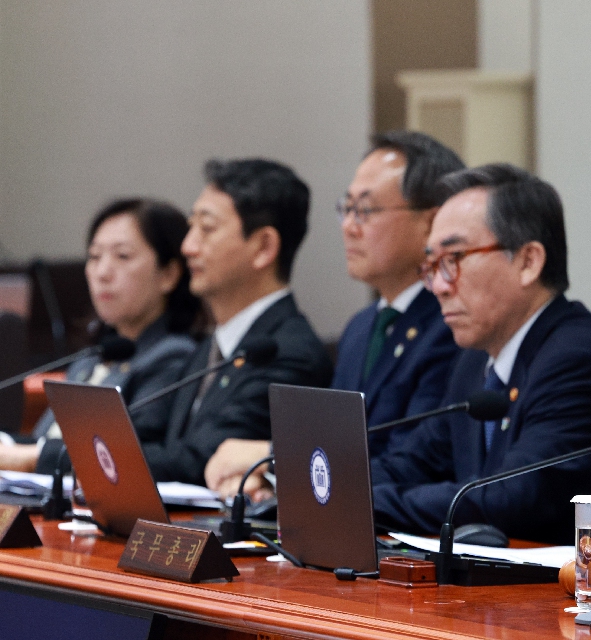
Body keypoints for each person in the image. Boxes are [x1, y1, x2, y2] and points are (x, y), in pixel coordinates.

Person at [371, 164, 591, 543]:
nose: (438, 286)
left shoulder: (577, 360)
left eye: (453, 260)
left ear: (528, 261)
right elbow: (414, 460)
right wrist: (332, 487)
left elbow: (509, 500)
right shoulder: (475, 363)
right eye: (431, 266)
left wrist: (368, 504)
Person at [202, 132, 463, 499]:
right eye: (347, 208)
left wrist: (274, 459)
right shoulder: (359, 327)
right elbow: (333, 447)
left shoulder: (453, 324)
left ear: (431, 222)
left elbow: (415, 460)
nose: (348, 226)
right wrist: (274, 480)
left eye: (366, 210)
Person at [139, 159, 333, 485]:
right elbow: (148, 434)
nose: (188, 246)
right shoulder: (211, 346)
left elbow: (205, 461)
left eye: (207, 228)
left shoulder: (288, 353)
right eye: (191, 226)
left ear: (263, 247)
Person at [0, 198, 201, 474]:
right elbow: (45, 442)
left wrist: (23, 456)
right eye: (94, 257)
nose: (102, 272)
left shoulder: (174, 355)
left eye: (123, 256)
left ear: (169, 273)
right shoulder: (91, 358)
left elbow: (122, 457)